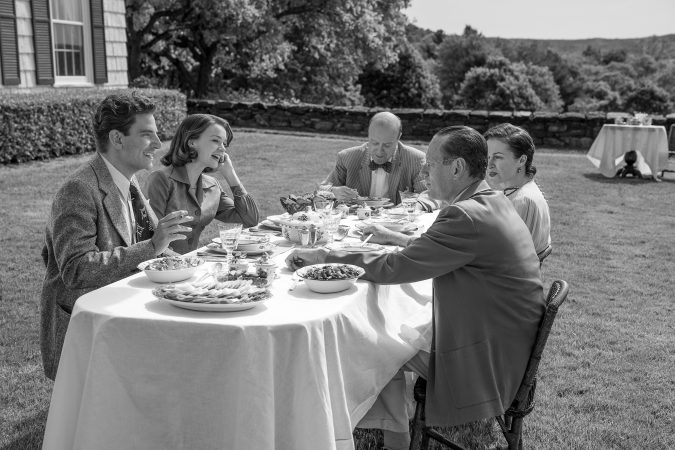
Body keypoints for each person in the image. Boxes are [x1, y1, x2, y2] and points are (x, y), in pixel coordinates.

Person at [287, 126, 545, 450]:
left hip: (488, 359)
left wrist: (325, 256)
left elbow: (396, 267)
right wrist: (395, 237)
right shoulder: (490, 201)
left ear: (457, 168)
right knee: (387, 338)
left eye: (431, 164)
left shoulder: (464, 215)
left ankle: (367, 435)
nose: (423, 172)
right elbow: (443, 249)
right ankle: (395, 436)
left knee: (374, 346)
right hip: (507, 342)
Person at [41, 92, 193, 380]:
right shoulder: (79, 189)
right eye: (147, 135)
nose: (159, 145)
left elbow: (156, 246)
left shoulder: (129, 180)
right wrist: (153, 246)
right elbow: (76, 270)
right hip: (86, 326)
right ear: (117, 138)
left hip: (120, 314)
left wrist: (200, 268)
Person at [145, 114, 260, 254]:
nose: (223, 148)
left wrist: (230, 174)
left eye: (224, 143)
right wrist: (187, 263)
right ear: (191, 142)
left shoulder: (212, 185)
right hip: (162, 268)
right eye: (215, 141)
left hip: (191, 266)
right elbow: (149, 237)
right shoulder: (161, 180)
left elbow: (250, 220)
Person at [322, 111, 438, 211]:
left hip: (397, 226)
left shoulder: (416, 159)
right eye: (375, 143)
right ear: (368, 135)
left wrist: (412, 206)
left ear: (398, 137)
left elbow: (431, 195)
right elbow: (321, 190)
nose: (379, 151)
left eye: (387, 145)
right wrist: (333, 192)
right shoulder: (347, 157)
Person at [484, 123, 551, 256]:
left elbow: (502, 256)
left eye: (498, 157)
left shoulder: (522, 201)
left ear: (521, 160)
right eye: (488, 157)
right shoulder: (520, 190)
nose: (489, 164)